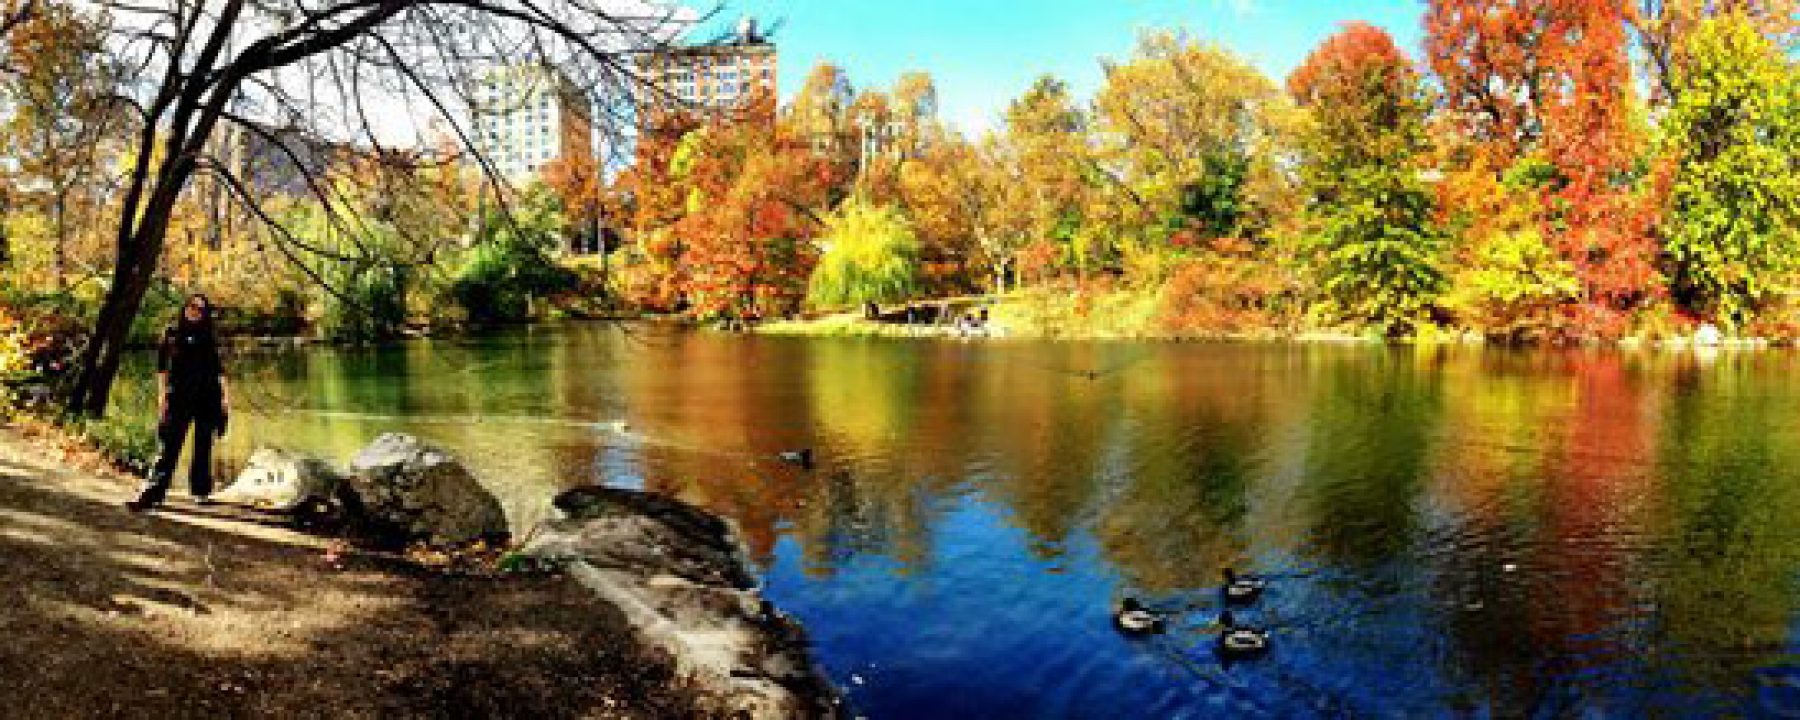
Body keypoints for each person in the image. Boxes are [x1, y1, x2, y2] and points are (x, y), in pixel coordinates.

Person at [127, 294, 231, 511]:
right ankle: (153, 491)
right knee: (169, 445)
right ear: (185, 308)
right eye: (192, 306)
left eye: (201, 309)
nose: (195, 311)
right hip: (179, 397)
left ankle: (200, 490)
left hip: (207, 397)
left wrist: (225, 399)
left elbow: (219, 371)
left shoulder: (209, 338)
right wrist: (162, 396)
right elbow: (162, 369)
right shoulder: (172, 334)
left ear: (205, 315)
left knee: (203, 446)